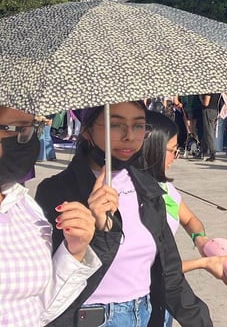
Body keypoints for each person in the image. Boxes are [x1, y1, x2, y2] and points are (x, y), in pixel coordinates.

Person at [35, 101, 212, 326]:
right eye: (115, 125)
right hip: (96, 317)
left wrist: (200, 321)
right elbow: (48, 286)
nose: (129, 136)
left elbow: (170, 271)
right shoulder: (57, 191)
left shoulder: (146, 185)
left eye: (139, 126)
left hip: (151, 313)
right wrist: (99, 232)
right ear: (87, 130)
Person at [0, 105, 102, 326]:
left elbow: (39, 309)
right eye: (17, 128)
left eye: (31, 128)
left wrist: (75, 250)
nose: (27, 141)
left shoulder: (23, 205)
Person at [142, 111, 227, 326]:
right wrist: (204, 263)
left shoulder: (166, 188)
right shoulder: (132, 196)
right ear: (153, 148)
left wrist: (200, 239)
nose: (175, 157)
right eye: (172, 150)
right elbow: (149, 267)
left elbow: (190, 219)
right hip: (135, 302)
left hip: (163, 299)